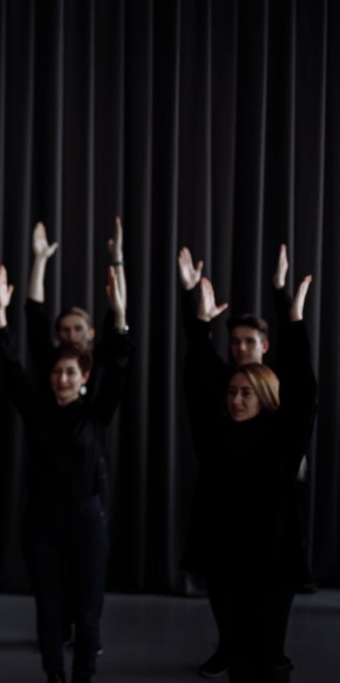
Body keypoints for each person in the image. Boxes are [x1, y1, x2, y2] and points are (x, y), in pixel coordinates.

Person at [0, 263, 133, 683]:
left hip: (88, 521)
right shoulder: (36, 410)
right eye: (57, 371)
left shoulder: (97, 412)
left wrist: (120, 316)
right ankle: (55, 676)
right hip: (42, 523)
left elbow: (119, 364)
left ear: (84, 375)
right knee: (49, 608)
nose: (62, 378)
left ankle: (83, 676)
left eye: (71, 371)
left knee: (88, 613)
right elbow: (11, 366)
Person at [177, 244, 311, 679]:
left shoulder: (282, 434)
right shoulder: (217, 430)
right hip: (225, 547)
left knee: (268, 654)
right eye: (232, 393)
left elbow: (304, 390)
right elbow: (198, 380)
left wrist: (290, 313)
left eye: (245, 394)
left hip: (271, 553)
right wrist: (197, 317)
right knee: (237, 646)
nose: (235, 399)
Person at [26, 219, 127, 650]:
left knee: (88, 565)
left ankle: (86, 630)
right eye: (64, 330)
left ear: (89, 336)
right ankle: (59, 629)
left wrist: (116, 259)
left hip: (89, 465)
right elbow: (33, 316)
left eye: (77, 330)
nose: (70, 336)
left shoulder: (100, 360)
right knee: (53, 566)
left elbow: (118, 314)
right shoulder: (51, 366)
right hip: (50, 474)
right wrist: (39, 261)